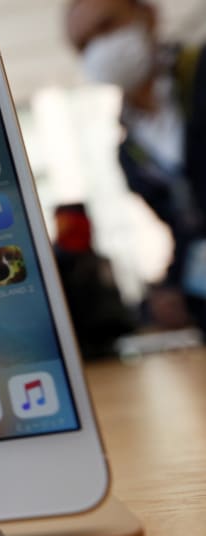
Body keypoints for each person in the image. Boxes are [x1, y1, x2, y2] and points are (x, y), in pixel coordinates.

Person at [66, 0, 206, 330]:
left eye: (107, 26)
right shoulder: (129, 151)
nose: (100, 47)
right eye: (84, 44)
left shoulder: (199, 75)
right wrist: (170, 292)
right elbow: (188, 230)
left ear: (148, 15)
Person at [52, 203, 135, 359]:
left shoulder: (98, 262)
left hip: (104, 344)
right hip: (75, 345)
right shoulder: (55, 263)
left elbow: (112, 307)